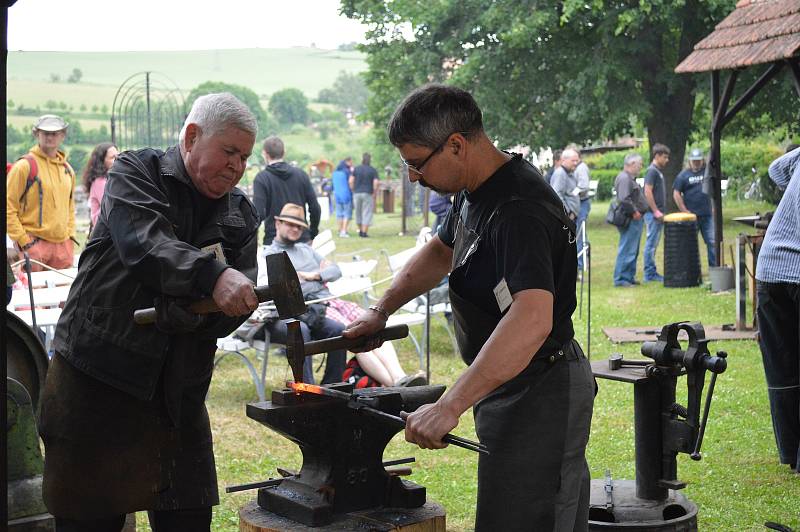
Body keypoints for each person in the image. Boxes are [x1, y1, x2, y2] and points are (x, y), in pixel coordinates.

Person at [344, 84, 594, 531]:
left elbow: (531, 318)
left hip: (542, 389)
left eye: (417, 163)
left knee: (530, 519)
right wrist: (380, 311)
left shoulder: (519, 209)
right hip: (507, 381)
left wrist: (449, 405)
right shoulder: (475, 188)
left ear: (456, 145)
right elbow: (442, 251)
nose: (413, 177)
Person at [37, 93, 261, 532]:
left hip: (178, 390)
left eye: (245, 157)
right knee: (89, 520)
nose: (237, 166)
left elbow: (239, 298)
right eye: (230, 151)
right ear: (193, 137)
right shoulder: (136, 172)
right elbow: (145, 242)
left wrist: (201, 315)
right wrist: (212, 277)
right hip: (99, 376)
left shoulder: (240, 213)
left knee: (187, 518)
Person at [261, 203, 347, 384]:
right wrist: (314, 283)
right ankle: (307, 389)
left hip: (311, 310)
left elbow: (336, 271)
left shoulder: (306, 250)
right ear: (278, 224)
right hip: (278, 316)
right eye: (290, 224)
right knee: (300, 330)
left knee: (338, 330)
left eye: (299, 226)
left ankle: (334, 387)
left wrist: (313, 276)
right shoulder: (269, 254)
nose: (295, 229)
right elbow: (277, 291)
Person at [755, 146, 800, 474]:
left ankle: (791, 452)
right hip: (795, 270)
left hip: (770, 268)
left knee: (783, 366)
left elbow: (775, 169)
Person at [6, 114, 76, 271]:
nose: (49, 137)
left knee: (64, 294)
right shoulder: (24, 166)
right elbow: (8, 208)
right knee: (32, 295)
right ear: (36, 134)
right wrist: (25, 242)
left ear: (63, 135)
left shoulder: (68, 170)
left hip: (63, 247)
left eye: (54, 133)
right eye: (45, 133)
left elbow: (70, 208)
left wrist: (70, 238)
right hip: (32, 244)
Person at [253, 136, 320, 245]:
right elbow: (315, 208)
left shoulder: (262, 178)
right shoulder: (301, 175)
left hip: (274, 239)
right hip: (301, 237)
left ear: (265, 154)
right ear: (284, 153)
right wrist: (312, 233)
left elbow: (258, 213)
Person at [673, 148, 715, 267]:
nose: (696, 163)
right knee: (690, 244)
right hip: (691, 217)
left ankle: (714, 267)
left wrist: (713, 206)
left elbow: (713, 190)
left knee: (712, 242)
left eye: (698, 160)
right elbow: (676, 193)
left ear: (702, 160)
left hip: (707, 215)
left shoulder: (707, 173)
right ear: (690, 161)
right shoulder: (683, 175)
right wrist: (684, 211)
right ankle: (691, 269)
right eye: (694, 161)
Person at [613, 153, 647, 287]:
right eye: (639, 164)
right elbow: (623, 199)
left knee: (632, 249)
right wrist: (634, 212)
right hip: (630, 219)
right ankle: (621, 278)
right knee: (627, 248)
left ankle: (628, 276)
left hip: (634, 218)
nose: (640, 167)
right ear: (632, 164)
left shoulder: (628, 178)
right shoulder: (624, 178)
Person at [642, 143, 670, 283]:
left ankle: (651, 272)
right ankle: (649, 274)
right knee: (651, 244)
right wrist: (656, 211)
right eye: (665, 157)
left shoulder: (657, 171)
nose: (667, 160)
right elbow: (647, 191)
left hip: (656, 214)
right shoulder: (652, 171)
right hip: (653, 215)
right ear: (657, 156)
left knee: (653, 243)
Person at [83, 142, 119, 230]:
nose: (117, 159)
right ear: (102, 161)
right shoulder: (100, 182)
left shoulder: (111, 178)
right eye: (112, 157)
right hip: (103, 229)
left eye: (117, 156)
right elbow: (110, 205)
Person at [351, 152, 380, 237]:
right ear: (370, 160)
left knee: (358, 212)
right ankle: (364, 232)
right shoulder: (372, 170)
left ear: (362, 159)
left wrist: (353, 189)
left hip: (357, 193)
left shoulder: (356, 169)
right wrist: (374, 192)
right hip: (367, 193)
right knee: (366, 212)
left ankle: (360, 230)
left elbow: (351, 181)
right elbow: (376, 182)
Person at [574, 151, 592, 272]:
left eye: (575, 159)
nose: (574, 162)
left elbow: (584, 186)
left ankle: (580, 264)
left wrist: (572, 193)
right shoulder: (577, 168)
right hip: (579, 203)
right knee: (580, 233)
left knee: (580, 233)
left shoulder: (581, 168)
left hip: (582, 203)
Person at [550, 148, 581, 220]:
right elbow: (557, 195)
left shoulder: (569, 172)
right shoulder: (560, 174)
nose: (575, 163)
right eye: (573, 161)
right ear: (564, 160)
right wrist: (568, 212)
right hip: (566, 218)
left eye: (577, 161)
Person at [333, 157, 354, 237]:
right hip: (346, 194)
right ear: (347, 162)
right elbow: (350, 182)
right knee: (347, 214)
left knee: (339, 214)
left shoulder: (335, 173)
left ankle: (340, 230)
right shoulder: (347, 172)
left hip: (337, 195)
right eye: (351, 162)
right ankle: (344, 231)